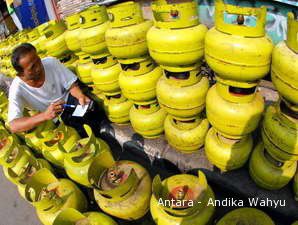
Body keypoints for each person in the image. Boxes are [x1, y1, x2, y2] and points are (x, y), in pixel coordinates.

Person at [8, 43, 101, 136]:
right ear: (21, 74)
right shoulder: (17, 89)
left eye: (38, 60)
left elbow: (72, 86)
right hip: (58, 117)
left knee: (94, 113)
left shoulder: (50, 63)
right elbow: (14, 126)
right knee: (81, 132)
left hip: (71, 102)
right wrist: (45, 115)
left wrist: (80, 96)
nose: (39, 67)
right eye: (32, 67)